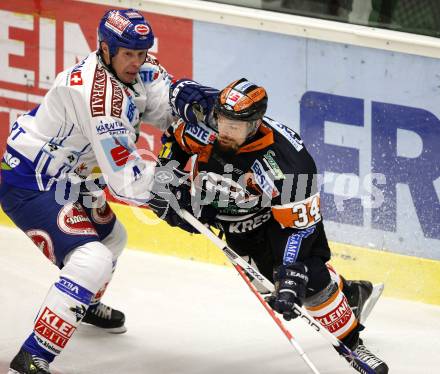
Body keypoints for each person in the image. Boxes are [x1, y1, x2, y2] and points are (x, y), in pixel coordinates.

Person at [0, 8, 206, 374]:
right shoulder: (98, 99)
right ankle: (33, 356)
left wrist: (194, 110)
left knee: (113, 238)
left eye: (142, 53)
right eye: (128, 53)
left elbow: (162, 109)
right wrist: (172, 194)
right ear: (105, 48)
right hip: (32, 179)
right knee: (91, 259)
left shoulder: (139, 66)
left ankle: (83, 301)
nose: (137, 61)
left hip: (73, 173)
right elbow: (124, 179)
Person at [153, 78, 389, 374]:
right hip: (220, 209)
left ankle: (353, 345)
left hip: (275, 220)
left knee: (308, 282)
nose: (224, 132)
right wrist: (166, 180)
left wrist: (291, 271)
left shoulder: (286, 163)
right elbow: (175, 141)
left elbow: (301, 228)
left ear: (254, 125)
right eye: (222, 121)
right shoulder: (208, 124)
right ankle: (350, 293)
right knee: (266, 283)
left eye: (235, 127)